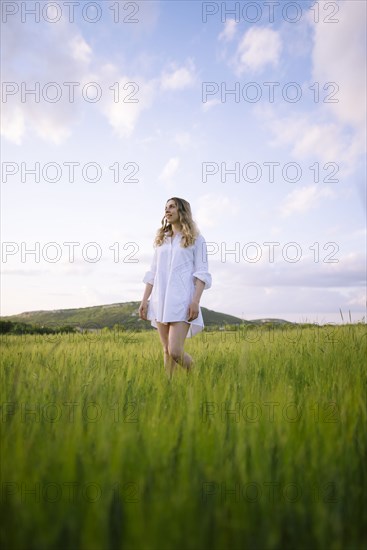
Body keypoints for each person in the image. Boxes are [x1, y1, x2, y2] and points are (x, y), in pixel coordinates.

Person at [139, 197, 212, 377]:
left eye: (172, 207)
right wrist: (144, 300)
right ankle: (168, 389)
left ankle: (196, 376)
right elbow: (153, 272)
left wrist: (195, 301)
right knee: (166, 350)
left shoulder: (196, 239)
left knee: (175, 351)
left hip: (182, 300)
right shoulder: (161, 240)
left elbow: (202, 272)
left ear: (182, 211)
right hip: (159, 300)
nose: (167, 210)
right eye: (165, 207)